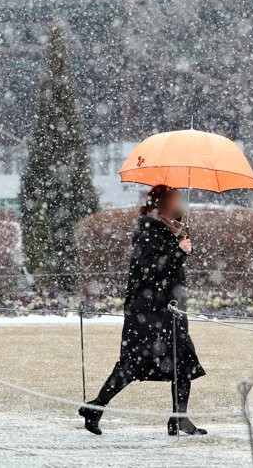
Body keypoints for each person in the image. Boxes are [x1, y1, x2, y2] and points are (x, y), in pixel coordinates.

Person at [78, 184, 206, 436]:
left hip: (169, 311)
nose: (181, 204)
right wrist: (178, 252)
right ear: (164, 203)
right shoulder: (148, 230)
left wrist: (180, 246)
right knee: (131, 365)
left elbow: (167, 265)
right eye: (177, 199)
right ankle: (96, 407)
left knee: (182, 363)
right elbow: (151, 271)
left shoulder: (167, 230)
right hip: (149, 313)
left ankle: (178, 418)